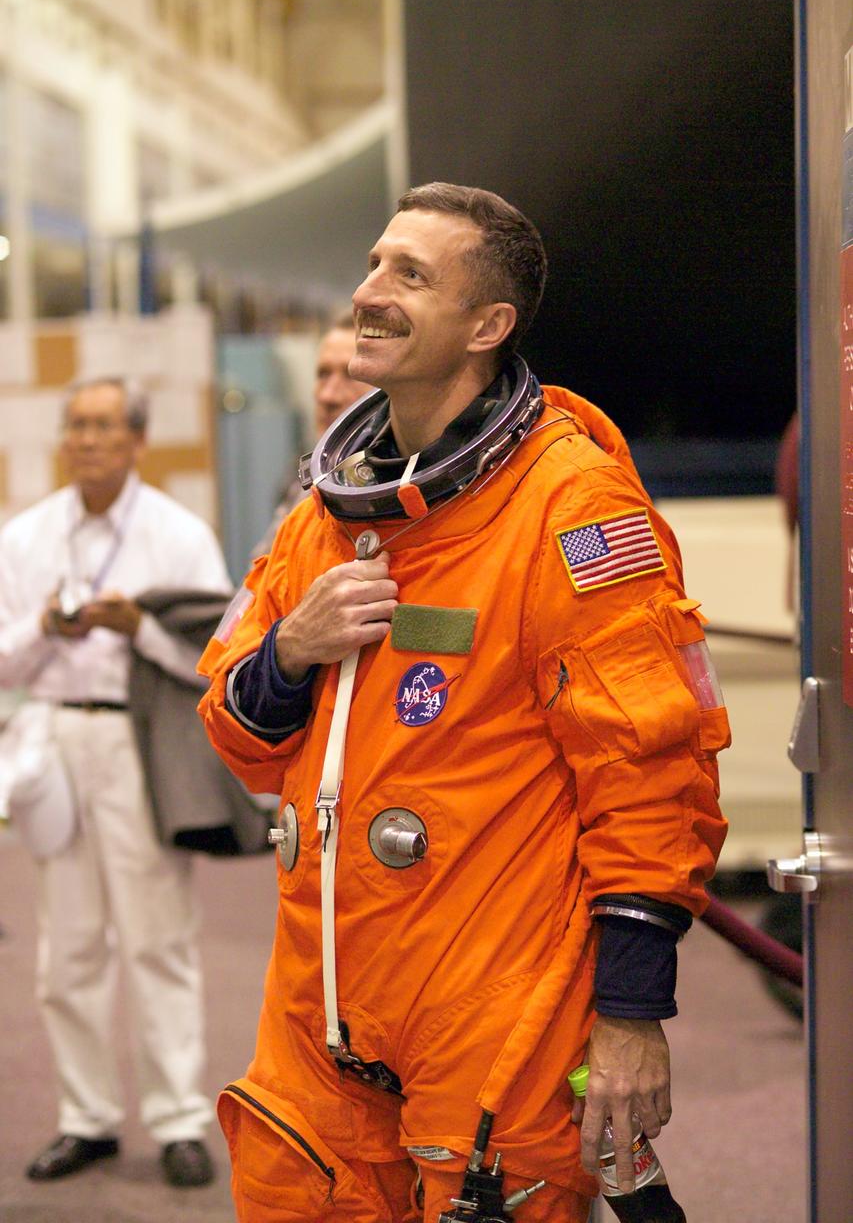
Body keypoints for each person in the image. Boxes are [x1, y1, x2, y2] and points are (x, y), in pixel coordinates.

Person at [199, 183, 730, 1222]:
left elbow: (652, 764)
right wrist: (291, 652)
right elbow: (237, 734)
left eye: (411, 275)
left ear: (488, 326)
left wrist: (629, 1012)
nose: (370, 292)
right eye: (373, 264)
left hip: (490, 1004)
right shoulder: (322, 512)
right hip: (322, 1007)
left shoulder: (567, 505)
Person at [0, 377, 232, 1188]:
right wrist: (43, 626)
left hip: (140, 742)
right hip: (55, 738)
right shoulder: (25, 536)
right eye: (76, 426)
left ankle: (176, 1119)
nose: (87, 439)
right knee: (67, 947)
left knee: (157, 937)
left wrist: (141, 630)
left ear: (136, 440)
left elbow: (218, 655)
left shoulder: (177, 534)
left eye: (103, 426)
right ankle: (86, 1117)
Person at [253, 310, 370, 554]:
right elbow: (259, 583)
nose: (328, 396)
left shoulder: (389, 495)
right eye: (323, 374)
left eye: (349, 375)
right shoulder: (300, 483)